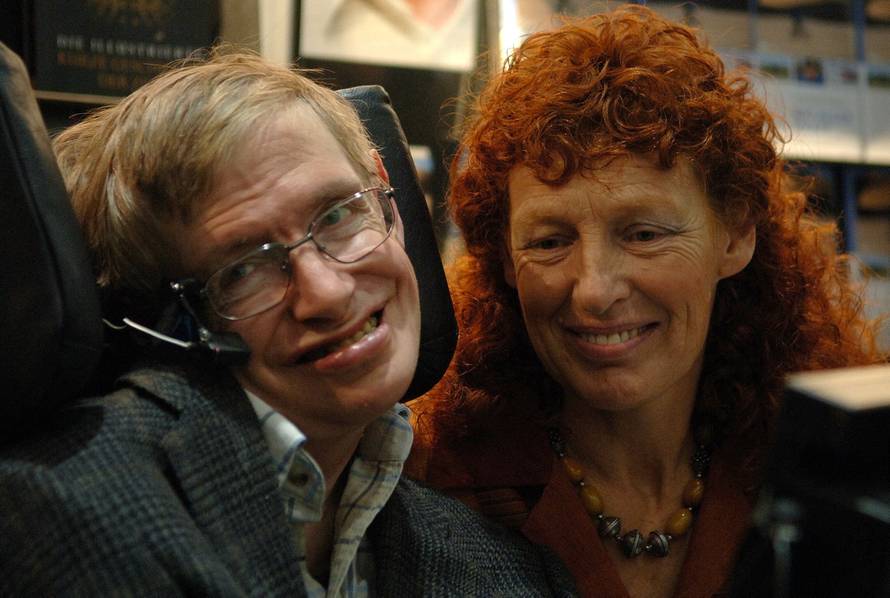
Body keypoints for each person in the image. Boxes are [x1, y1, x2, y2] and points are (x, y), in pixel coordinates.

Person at [0, 48, 576, 596]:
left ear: (389, 196)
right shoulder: (71, 513)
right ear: (173, 316)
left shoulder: (505, 566)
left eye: (337, 214)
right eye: (245, 267)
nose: (324, 292)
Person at [406, 6, 887, 598]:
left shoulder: (825, 478)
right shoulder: (435, 482)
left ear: (735, 235)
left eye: (643, 234)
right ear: (505, 260)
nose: (595, 290)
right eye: (550, 242)